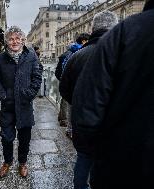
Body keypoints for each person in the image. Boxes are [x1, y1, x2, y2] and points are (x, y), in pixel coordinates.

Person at [72, 1, 154, 188]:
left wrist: (98, 150)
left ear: (93, 28)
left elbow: (85, 107)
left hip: (122, 164)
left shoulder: (124, 33)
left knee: (83, 166)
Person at [59, 11, 118, 189]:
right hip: (110, 122)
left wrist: (78, 104)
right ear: (115, 28)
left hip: (81, 120)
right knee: (106, 163)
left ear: (92, 29)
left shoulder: (76, 56)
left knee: (83, 159)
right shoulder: (119, 53)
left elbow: (63, 88)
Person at [0, 26, 42, 178]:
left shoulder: (31, 55)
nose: (14, 41)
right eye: (11, 39)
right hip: (7, 106)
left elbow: (37, 77)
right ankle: (7, 161)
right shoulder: (0, 58)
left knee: (24, 138)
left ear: (22, 40)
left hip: (25, 105)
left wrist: (29, 94)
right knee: (6, 137)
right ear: (7, 41)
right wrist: (3, 95)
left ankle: (22, 162)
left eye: (17, 38)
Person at [56, 33, 90, 138]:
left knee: (67, 103)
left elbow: (60, 70)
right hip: (76, 83)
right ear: (84, 41)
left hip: (68, 82)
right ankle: (72, 129)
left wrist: (63, 80)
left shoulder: (68, 52)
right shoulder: (82, 52)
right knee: (74, 106)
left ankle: (66, 124)